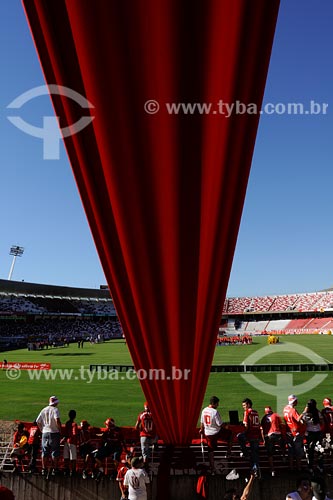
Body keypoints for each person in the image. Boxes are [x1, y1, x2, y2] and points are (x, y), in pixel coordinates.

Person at [200, 396, 233, 473]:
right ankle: (228, 452)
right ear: (214, 403)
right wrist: (227, 426)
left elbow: (202, 422)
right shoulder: (215, 412)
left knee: (210, 450)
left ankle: (212, 467)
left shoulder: (204, 410)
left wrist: (202, 429)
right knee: (231, 434)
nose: (218, 405)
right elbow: (220, 424)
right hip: (216, 432)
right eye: (217, 403)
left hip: (208, 433)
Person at [35, 395, 61, 477]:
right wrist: (60, 430)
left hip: (45, 432)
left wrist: (42, 430)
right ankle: (55, 469)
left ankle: (44, 469)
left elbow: (37, 421)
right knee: (55, 452)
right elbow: (57, 420)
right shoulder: (55, 410)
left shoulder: (44, 410)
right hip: (54, 432)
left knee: (45, 451)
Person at [237, 398, 261, 476]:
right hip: (257, 435)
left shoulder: (247, 412)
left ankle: (245, 453)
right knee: (255, 454)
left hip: (250, 434)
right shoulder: (256, 412)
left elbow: (246, 426)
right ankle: (256, 470)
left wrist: (243, 430)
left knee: (239, 436)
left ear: (248, 404)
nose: (243, 407)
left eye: (244, 405)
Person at [299, 399, 324, 472]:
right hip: (318, 433)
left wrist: (304, 412)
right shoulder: (318, 412)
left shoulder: (306, 414)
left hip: (310, 433)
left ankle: (310, 467)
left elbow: (299, 420)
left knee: (310, 451)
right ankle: (320, 466)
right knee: (320, 450)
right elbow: (322, 422)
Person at [260, 406, 285, 476]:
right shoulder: (276, 415)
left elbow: (262, 430)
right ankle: (283, 456)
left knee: (269, 453)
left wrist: (264, 440)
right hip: (277, 434)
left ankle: (272, 469)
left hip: (269, 436)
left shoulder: (264, 418)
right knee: (283, 444)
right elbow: (282, 425)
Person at [283, 394, 305, 471]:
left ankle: (291, 467)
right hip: (296, 433)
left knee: (291, 451)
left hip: (289, 432)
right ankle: (299, 468)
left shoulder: (285, 408)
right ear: (294, 401)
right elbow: (298, 419)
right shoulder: (293, 410)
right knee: (298, 452)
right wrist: (304, 412)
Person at [135, 402, 157, 468]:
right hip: (153, 437)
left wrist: (141, 431)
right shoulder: (155, 414)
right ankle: (155, 445)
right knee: (155, 440)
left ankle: (146, 465)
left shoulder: (141, 414)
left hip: (144, 436)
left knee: (144, 453)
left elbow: (136, 427)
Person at [62, 409, 78, 476]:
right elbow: (74, 434)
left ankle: (66, 470)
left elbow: (65, 433)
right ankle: (72, 471)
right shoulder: (74, 424)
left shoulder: (67, 423)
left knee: (66, 457)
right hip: (72, 442)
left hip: (66, 441)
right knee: (73, 457)